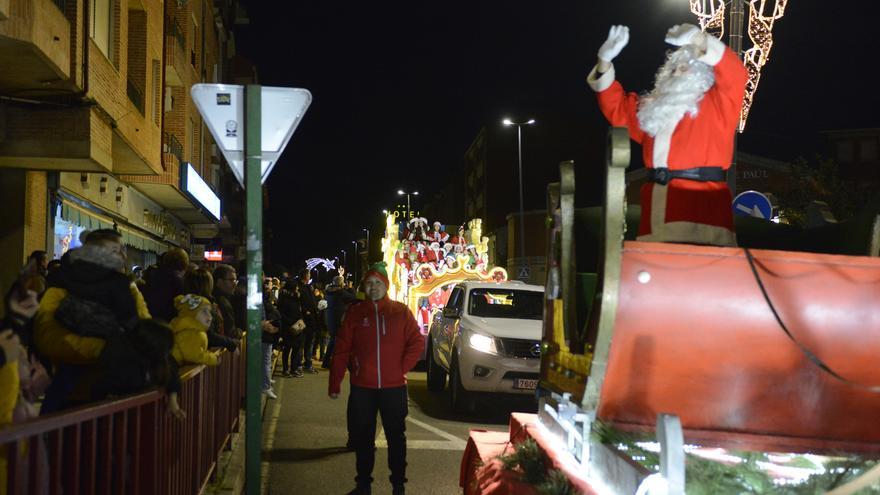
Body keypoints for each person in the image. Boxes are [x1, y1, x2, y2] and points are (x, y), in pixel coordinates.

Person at [587, 24, 747, 246]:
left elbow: (736, 74)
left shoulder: (717, 104)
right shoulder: (653, 112)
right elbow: (617, 109)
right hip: (656, 214)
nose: (675, 74)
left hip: (703, 213)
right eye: (672, 69)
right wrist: (604, 61)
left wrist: (698, 39)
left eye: (684, 68)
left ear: (702, 77)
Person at [329, 262, 424, 495]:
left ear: (386, 286)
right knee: (363, 438)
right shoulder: (355, 313)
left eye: (378, 283)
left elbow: (417, 342)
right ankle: (363, 484)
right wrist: (335, 382)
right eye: (369, 283)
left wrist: (401, 367)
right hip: (363, 388)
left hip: (394, 389)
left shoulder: (400, 312)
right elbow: (341, 349)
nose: (373, 288)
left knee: (396, 438)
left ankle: (398, 485)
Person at [34, 229, 152, 413]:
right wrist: (104, 349)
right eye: (112, 251)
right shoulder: (61, 285)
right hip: (75, 395)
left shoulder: (127, 288)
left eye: (122, 250)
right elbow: (47, 336)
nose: (121, 255)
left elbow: (145, 328)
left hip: (122, 393)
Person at [183, 268, 238, 352]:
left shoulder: (183, 303)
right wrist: (230, 342)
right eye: (231, 280)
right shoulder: (204, 305)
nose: (234, 284)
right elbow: (210, 333)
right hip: (202, 352)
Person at [169, 294, 220, 366]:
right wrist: (213, 358)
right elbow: (194, 355)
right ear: (192, 315)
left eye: (209, 311)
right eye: (204, 312)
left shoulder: (191, 329)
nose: (210, 316)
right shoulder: (191, 331)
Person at [140, 247, 189, 322]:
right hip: (166, 323)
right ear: (184, 264)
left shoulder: (151, 275)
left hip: (148, 320)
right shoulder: (177, 281)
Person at [321, 275, 358, 369]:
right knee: (339, 341)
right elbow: (354, 298)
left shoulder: (329, 291)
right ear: (341, 283)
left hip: (330, 319)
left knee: (333, 340)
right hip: (339, 320)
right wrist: (350, 288)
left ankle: (327, 361)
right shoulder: (341, 292)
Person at [277, 280, 305, 378]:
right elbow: (281, 313)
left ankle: (293, 369)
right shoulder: (284, 298)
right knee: (287, 348)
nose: (298, 288)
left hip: (297, 326)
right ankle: (285, 369)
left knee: (296, 348)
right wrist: (290, 322)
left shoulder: (296, 298)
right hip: (288, 327)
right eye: (296, 287)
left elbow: (299, 309)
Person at [212, 264, 243, 339]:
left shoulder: (226, 299)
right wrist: (240, 332)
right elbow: (231, 332)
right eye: (231, 280)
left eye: (235, 280)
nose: (234, 284)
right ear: (219, 281)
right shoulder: (222, 302)